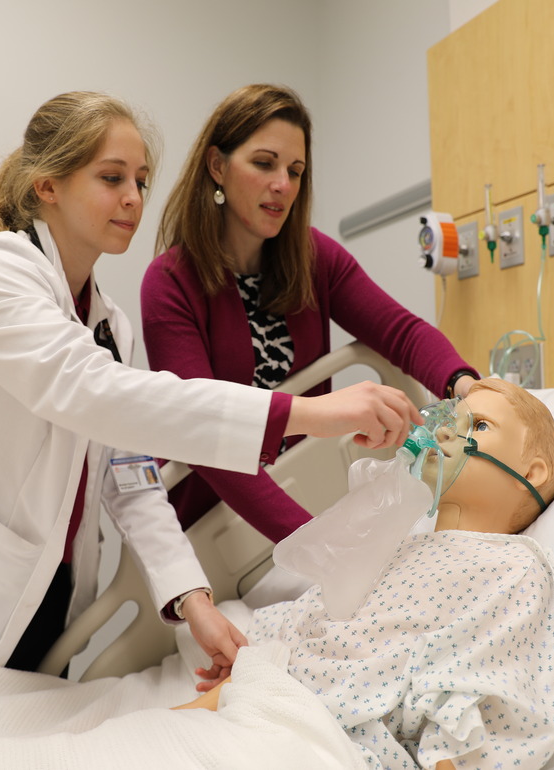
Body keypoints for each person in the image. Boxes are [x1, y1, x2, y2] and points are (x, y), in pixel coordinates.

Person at [0, 92, 424, 678]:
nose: (132, 198)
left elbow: (131, 477)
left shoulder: (108, 324)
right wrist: (310, 413)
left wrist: (192, 599)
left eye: (142, 181)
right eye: (111, 177)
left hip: (48, 606)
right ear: (47, 185)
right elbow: (98, 394)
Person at [175, 379, 554, 770]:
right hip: (272, 692)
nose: (443, 433)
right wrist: (253, 660)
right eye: (450, 421)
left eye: (478, 427)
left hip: (339, 731)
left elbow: (489, 686)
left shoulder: (514, 567)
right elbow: (317, 617)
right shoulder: (400, 545)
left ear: (532, 474)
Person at [141, 83, 480, 544]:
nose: (283, 185)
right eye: (264, 163)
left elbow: (402, 333)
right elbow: (206, 434)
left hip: (312, 492)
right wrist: (312, 541)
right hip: (218, 530)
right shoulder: (169, 284)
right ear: (217, 166)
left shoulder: (314, 259)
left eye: (296, 170)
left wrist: (468, 387)